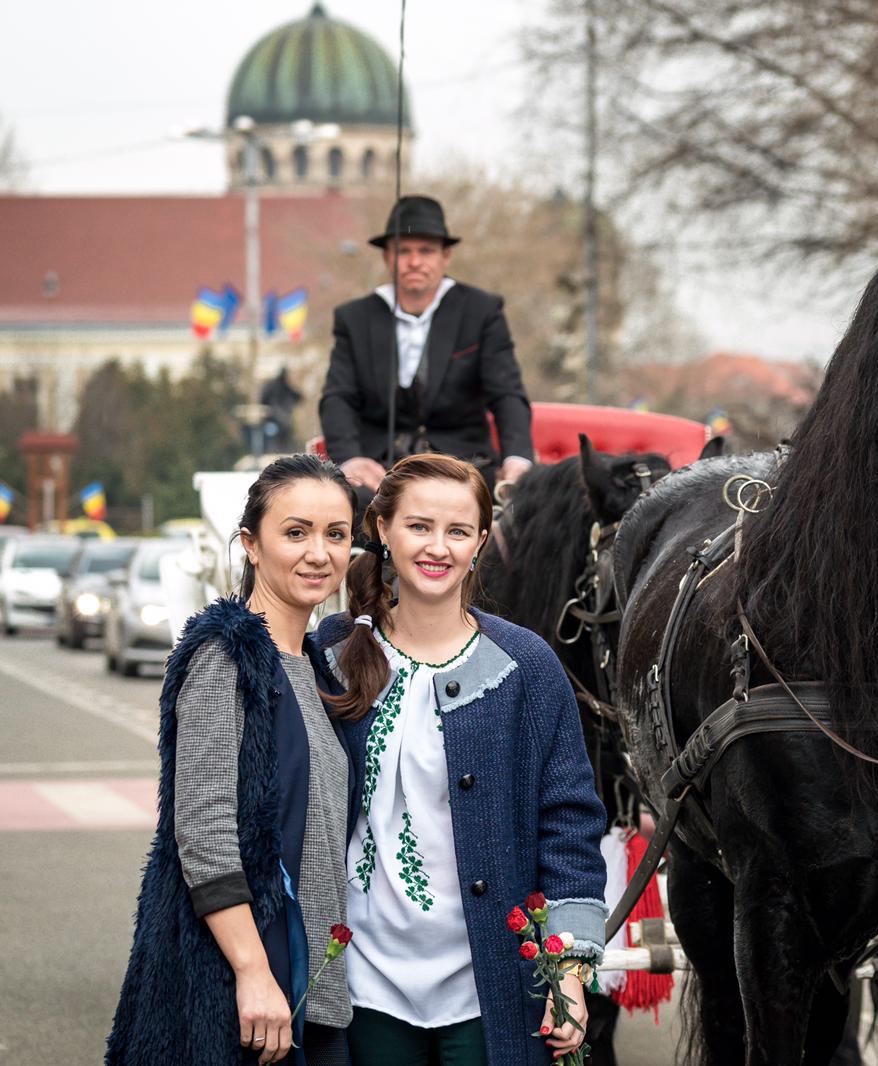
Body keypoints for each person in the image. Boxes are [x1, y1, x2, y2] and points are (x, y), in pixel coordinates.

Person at [316, 454, 606, 1066]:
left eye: (457, 531)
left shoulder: (526, 667)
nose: (437, 548)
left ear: (480, 541)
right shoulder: (329, 655)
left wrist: (570, 974)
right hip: (361, 981)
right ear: (383, 530)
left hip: (492, 986)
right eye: (419, 526)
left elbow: (571, 826)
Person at [108, 455, 359, 1066]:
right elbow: (204, 832)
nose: (318, 553)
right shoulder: (227, 656)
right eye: (295, 532)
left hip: (311, 989)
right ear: (250, 544)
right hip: (241, 997)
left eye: (336, 534)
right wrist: (252, 972)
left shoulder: (316, 664)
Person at [320, 195, 535, 500]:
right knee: (349, 502)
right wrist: (351, 460)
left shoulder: (482, 311)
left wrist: (517, 460)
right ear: (386, 257)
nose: (415, 261)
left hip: (465, 466)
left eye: (426, 250)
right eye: (403, 251)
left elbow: (506, 393)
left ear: (445, 256)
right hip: (381, 470)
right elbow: (337, 397)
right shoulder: (354, 319)